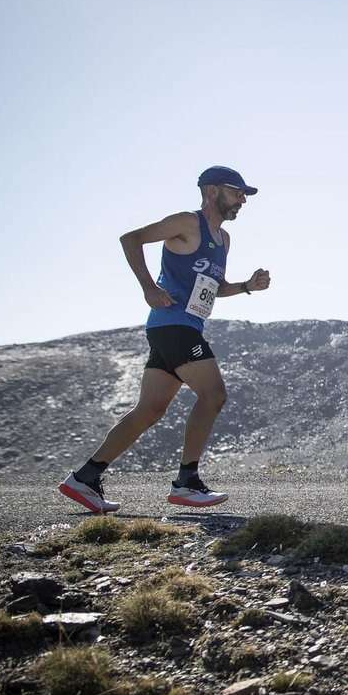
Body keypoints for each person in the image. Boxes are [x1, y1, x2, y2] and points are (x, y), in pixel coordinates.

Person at [57, 166, 271, 513]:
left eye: (245, 194)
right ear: (213, 191)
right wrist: (148, 287)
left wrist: (247, 286)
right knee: (214, 395)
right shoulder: (187, 223)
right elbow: (130, 239)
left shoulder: (224, 240)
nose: (243, 200)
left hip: (182, 328)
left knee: (150, 410)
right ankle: (187, 482)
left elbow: (213, 290)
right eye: (237, 192)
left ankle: (85, 477)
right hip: (172, 325)